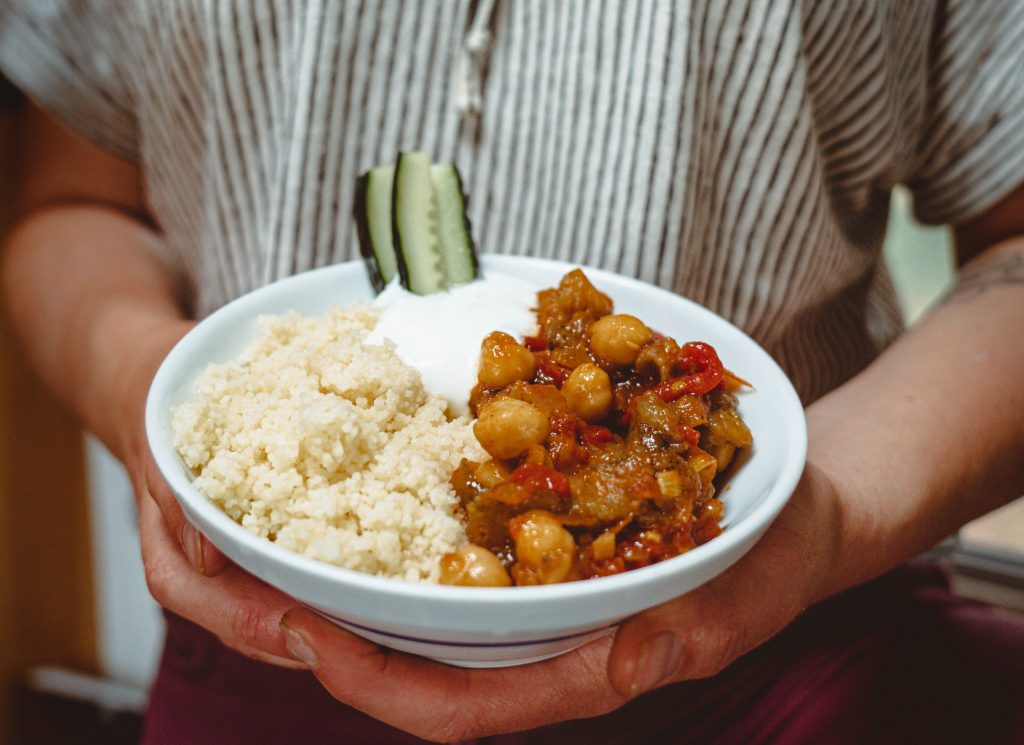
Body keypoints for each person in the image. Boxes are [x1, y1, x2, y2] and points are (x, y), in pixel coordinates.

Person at [2, 1, 1023, 742]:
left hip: (799, 642)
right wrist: (150, 385)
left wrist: (827, 513)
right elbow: (75, 204)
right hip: (272, 633)